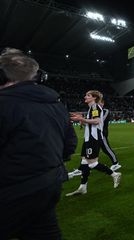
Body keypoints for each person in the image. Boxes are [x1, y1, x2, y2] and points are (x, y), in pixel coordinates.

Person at [0, 48, 77, 239]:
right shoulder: (56, 104)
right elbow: (70, 145)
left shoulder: (5, 104)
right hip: (50, 185)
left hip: (13, 191)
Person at [66, 90, 121, 196]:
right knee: (84, 162)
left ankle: (114, 174)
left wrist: (82, 119)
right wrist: (81, 119)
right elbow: (91, 122)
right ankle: (83, 187)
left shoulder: (95, 107)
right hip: (88, 138)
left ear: (94, 98)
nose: (85, 97)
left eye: (88, 95)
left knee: (92, 163)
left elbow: (96, 121)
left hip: (93, 138)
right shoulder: (91, 108)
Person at [99, 99, 121, 170]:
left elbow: (100, 120)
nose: (98, 104)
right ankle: (84, 166)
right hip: (96, 134)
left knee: (107, 148)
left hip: (103, 133)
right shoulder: (95, 111)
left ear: (103, 103)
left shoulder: (105, 111)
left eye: (100, 103)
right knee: (102, 149)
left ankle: (116, 163)